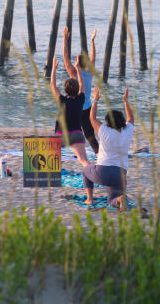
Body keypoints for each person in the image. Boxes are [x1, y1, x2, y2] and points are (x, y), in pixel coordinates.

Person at [51, 27, 99, 160]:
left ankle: (56, 153)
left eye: (76, 60)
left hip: (76, 107)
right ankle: (99, 155)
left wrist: (65, 40)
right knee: (90, 135)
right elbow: (94, 58)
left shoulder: (73, 73)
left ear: (77, 63)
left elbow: (66, 58)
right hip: (87, 107)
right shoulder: (89, 73)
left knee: (64, 129)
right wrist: (92, 41)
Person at [83, 87, 135, 209]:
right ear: (122, 121)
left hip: (102, 172)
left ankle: (90, 199)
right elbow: (131, 118)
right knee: (111, 200)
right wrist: (126, 101)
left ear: (108, 122)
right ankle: (119, 200)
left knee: (85, 171)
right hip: (120, 175)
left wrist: (95, 100)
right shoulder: (127, 131)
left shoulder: (105, 130)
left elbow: (92, 118)